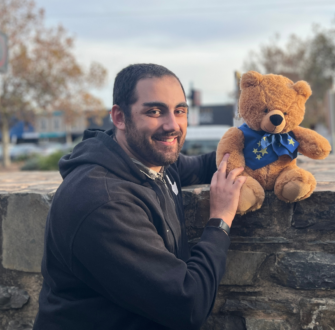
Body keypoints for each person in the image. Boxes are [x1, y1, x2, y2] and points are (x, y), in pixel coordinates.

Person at [33, 64, 246, 330]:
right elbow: (188, 305)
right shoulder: (103, 201)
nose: (172, 125)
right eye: (154, 112)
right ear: (119, 117)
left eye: (180, 111)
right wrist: (221, 221)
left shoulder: (153, 162)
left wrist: (258, 145)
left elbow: (204, 165)